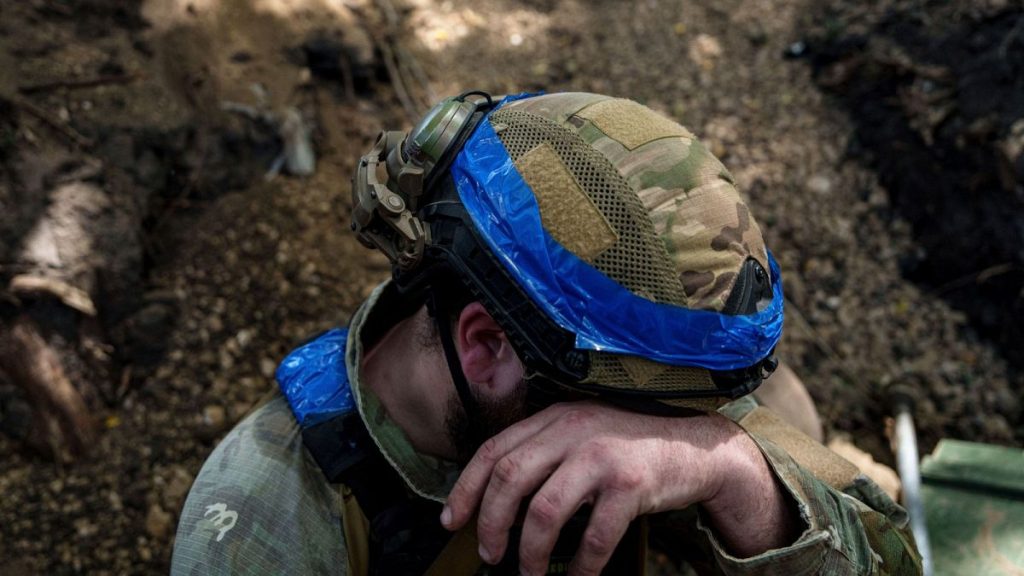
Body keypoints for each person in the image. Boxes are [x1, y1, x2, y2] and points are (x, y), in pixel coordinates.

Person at [171, 91, 921, 575]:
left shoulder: (634, 366)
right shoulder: (263, 529)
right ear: (486, 347)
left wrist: (726, 471)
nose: (661, 431)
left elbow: (893, 561)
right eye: (648, 415)